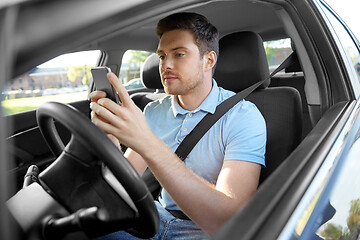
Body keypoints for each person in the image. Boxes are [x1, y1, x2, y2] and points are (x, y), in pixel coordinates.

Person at [89, 12, 266, 239]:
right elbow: (125, 180)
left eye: (179, 54)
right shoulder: (153, 111)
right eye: (162, 56)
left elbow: (227, 221)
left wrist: (148, 143)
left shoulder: (243, 116)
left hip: (204, 230)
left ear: (208, 60)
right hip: (156, 214)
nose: (166, 65)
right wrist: (111, 139)